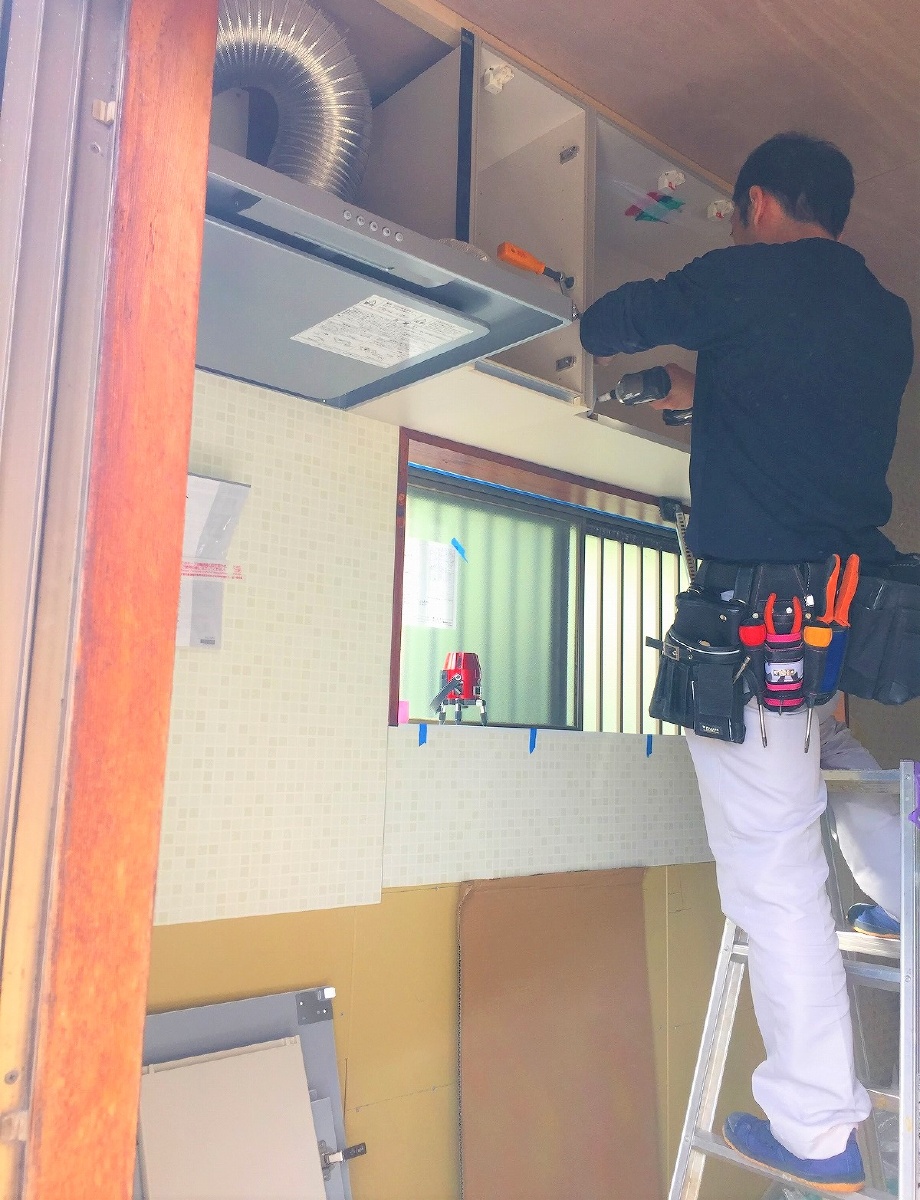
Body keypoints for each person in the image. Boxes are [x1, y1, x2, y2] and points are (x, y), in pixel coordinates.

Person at [579, 131, 913, 1193]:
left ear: (757, 203)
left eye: (733, 214)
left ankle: (817, 1129)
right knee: (830, 752)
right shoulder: (885, 316)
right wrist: (708, 390)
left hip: (756, 624)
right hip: (834, 615)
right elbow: (795, 429)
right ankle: (906, 899)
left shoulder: (744, 278)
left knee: (773, 877)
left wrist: (581, 305)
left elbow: (606, 323)